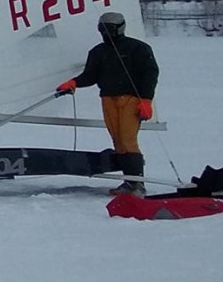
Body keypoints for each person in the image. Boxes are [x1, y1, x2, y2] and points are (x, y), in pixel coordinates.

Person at [56, 10, 159, 193]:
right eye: (102, 29)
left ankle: (137, 184)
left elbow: (150, 74)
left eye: (109, 29)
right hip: (108, 98)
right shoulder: (98, 52)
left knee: (128, 140)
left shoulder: (138, 48)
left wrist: (146, 100)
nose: (106, 33)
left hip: (130, 99)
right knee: (118, 141)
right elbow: (91, 76)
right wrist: (74, 83)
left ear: (120, 28)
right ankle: (129, 182)